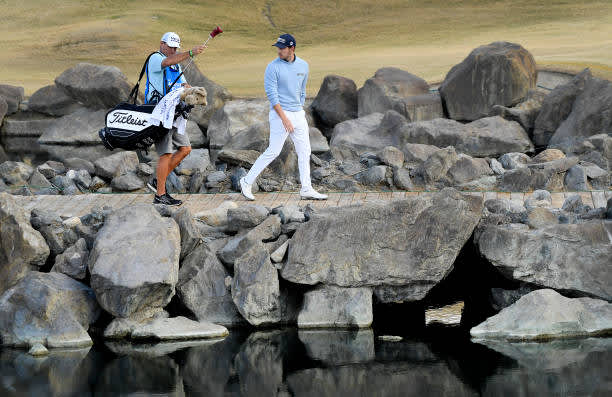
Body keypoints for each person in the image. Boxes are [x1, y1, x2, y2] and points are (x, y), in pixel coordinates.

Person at [240, 34, 328, 201]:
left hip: (298, 113)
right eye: (278, 48)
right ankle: (246, 181)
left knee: (305, 151)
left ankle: (306, 189)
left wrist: (299, 109)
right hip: (280, 114)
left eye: (282, 48)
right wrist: (285, 118)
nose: (279, 51)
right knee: (273, 150)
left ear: (292, 48)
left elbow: (302, 91)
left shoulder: (303, 66)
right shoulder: (272, 67)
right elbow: (272, 96)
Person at [145, 32, 207, 206]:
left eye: (175, 48)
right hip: (159, 112)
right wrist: (191, 53)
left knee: (185, 148)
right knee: (165, 153)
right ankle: (160, 196)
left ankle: (159, 181)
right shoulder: (155, 58)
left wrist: (194, 91)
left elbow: (183, 85)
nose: (173, 50)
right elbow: (167, 62)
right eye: (170, 47)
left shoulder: (176, 66)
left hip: (173, 112)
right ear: (162, 43)